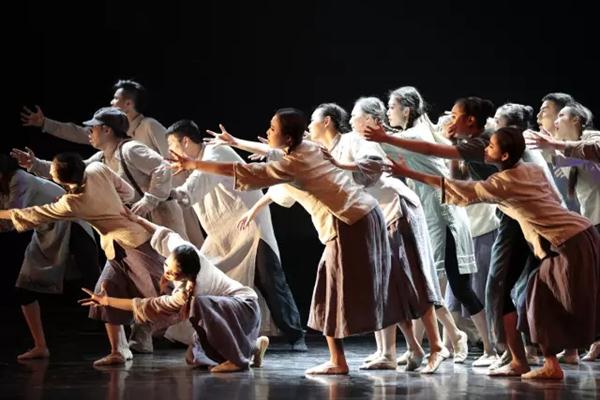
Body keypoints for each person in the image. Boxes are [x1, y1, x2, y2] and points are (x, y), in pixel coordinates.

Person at [169, 108, 397, 375]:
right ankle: (347, 357)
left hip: (349, 221)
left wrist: (194, 165)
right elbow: (271, 151)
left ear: (288, 138)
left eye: (273, 129)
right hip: (363, 214)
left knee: (333, 289)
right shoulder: (307, 147)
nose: (268, 132)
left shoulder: (293, 164)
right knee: (356, 286)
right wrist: (237, 142)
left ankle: (339, 360)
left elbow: (242, 170)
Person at [383, 126, 600, 379]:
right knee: (540, 298)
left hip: (567, 240)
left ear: (504, 156)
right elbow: (548, 200)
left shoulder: (503, 183)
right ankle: (536, 361)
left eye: (491, 147)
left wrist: (407, 172)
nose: (486, 150)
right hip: (580, 232)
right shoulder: (532, 170)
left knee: (541, 299)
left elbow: (455, 188)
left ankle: (541, 363)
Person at [365, 96, 537, 375]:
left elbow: (436, 157)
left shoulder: (476, 142)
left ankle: (497, 349)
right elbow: (452, 172)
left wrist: (383, 138)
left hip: (460, 217)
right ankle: (482, 348)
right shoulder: (472, 144)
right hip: (486, 213)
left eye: (456, 115)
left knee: (476, 286)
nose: (451, 119)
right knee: (464, 287)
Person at [13, 107, 190, 353]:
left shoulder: (131, 149)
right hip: (128, 226)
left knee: (169, 281)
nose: (89, 133)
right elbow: (73, 171)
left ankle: (196, 330)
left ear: (107, 130)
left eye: (93, 128)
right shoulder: (102, 159)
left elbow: (162, 168)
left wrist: (149, 200)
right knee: (123, 285)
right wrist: (36, 165)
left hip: (157, 216)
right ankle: (133, 342)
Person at [0, 153, 165, 366]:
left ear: (62, 179)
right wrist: (112, 204)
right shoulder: (97, 169)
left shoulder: (73, 203)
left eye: (52, 172)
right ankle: (118, 350)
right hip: (117, 244)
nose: (50, 174)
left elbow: (34, 213)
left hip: (133, 243)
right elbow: (128, 192)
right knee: (106, 290)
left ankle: (194, 334)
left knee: (163, 291)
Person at [166, 119, 305, 348]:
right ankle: (199, 334)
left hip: (250, 227)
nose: (171, 152)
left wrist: (169, 194)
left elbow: (196, 186)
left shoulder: (215, 152)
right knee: (203, 276)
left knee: (269, 279)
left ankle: (295, 335)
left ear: (186, 142)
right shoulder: (200, 161)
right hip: (224, 234)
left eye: (173, 145)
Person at [80, 209, 269, 373]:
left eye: (173, 273)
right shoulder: (184, 251)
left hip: (244, 307)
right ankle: (254, 347)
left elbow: (145, 305)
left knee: (199, 304)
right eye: (166, 265)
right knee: (194, 358)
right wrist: (138, 219)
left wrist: (107, 301)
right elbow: (164, 233)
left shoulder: (187, 293)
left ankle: (237, 361)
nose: (166, 273)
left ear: (186, 275)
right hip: (230, 314)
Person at [0, 154, 99, 360]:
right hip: (46, 231)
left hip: (71, 224)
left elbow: (12, 219)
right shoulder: (5, 186)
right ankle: (40, 346)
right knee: (24, 288)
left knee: (95, 283)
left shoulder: (19, 179)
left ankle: (123, 341)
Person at [21, 79, 169, 156]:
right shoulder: (110, 130)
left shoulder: (149, 125)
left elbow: (172, 159)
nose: (111, 102)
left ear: (128, 104)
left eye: (116, 98)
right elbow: (77, 132)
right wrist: (45, 123)